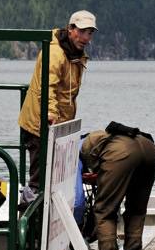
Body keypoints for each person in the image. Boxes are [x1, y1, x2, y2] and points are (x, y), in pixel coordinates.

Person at [17, 10, 96, 201]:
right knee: (39, 178)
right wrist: (51, 114)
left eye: (90, 32)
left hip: (60, 125)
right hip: (40, 125)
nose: (86, 37)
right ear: (70, 29)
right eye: (82, 31)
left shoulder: (74, 54)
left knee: (54, 176)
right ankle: (29, 217)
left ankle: (46, 215)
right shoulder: (56, 53)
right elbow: (48, 87)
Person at [80, 122, 155, 250]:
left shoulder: (82, 146)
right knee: (136, 210)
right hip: (150, 149)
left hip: (120, 155)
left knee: (105, 211)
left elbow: (93, 168)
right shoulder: (110, 135)